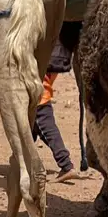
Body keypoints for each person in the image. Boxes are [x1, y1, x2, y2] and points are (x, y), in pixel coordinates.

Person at [32, 41, 79, 183]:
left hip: (38, 93)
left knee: (45, 126)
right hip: (45, 78)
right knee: (30, 127)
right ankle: (20, 160)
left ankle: (66, 165)